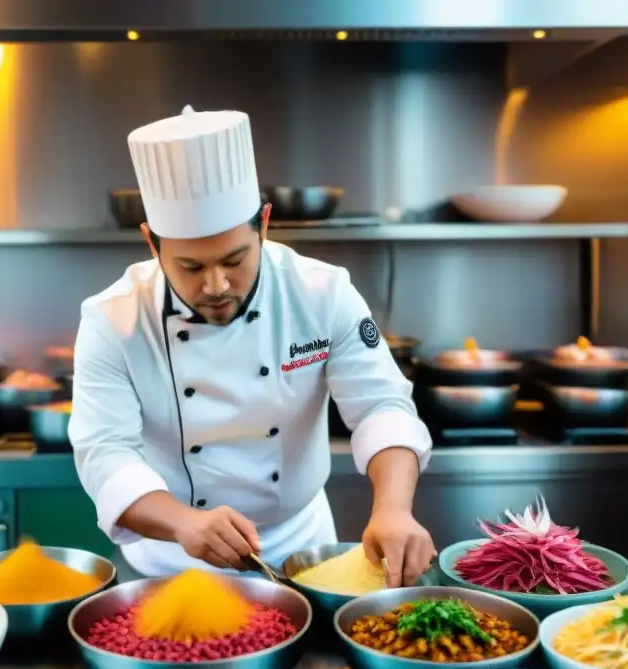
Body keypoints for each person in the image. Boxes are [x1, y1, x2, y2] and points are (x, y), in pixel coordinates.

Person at [69, 105, 434, 585]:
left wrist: (393, 509)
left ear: (264, 224)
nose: (216, 286)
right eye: (191, 267)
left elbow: (381, 406)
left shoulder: (321, 294)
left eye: (234, 260)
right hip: (171, 558)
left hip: (302, 550)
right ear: (152, 244)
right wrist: (185, 523)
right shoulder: (113, 320)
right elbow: (104, 452)